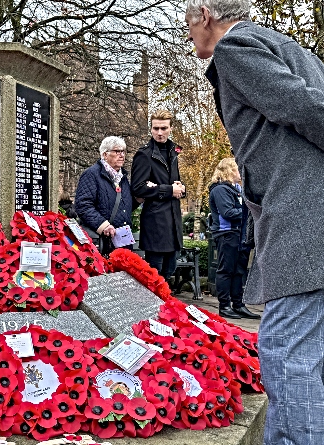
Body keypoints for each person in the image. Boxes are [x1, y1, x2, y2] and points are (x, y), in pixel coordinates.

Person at [185, 0, 324, 442]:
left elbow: (302, 105)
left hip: (303, 221)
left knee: (287, 354)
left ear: (204, 13)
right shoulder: (288, 45)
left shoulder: (237, 46)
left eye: (187, 22)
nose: (188, 34)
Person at [130, 110, 185, 281]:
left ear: (171, 128)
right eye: (155, 128)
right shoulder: (144, 154)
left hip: (173, 224)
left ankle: (167, 308)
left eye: (163, 128)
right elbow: (138, 188)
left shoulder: (173, 152)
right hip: (155, 225)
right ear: (151, 129)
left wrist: (181, 189)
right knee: (155, 278)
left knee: (169, 273)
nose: (159, 133)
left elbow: (176, 185)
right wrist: (168, 190)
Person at [207, 158, 260, 319]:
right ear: (228, 171)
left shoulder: (237, 189)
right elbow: (228, 213)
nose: (241, 173)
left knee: (239, 271)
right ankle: (224, 306)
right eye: (237, 169)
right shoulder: (220, 190)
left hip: (240, 234)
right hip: (227, 234)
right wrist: (250, 212)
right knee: (226, 270)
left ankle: (238, 304)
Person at [75, 136, 138, 255]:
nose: (122, 155)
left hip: (122, 242)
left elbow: (124, 207)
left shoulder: (122, 178)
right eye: (117, 151)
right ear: (105, 155)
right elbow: (83, 205)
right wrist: (103, 225)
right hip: (101, 242)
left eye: (123, 151)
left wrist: (139, 199)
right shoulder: (91, 174)